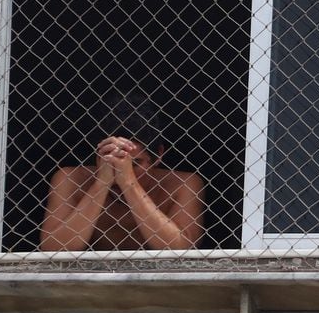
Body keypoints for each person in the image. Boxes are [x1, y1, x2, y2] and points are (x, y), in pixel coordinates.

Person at [40, 96, 204, 251]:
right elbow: (53, 248)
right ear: (97, 155)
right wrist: (101, 184)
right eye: (110, 160)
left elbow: (181, 249)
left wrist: (128, 183)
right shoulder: (71, 179)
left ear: (158, 155)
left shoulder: (182, 184)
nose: (121, 170)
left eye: (135, 163)